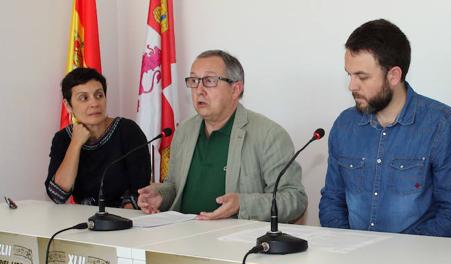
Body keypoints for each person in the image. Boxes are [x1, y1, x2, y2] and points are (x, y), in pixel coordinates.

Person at [319, 19, 451, 237]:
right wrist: (348, 244)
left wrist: (395, 251)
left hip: (419, 263)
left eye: (362, 77)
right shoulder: (345, 125)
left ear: (394, 75)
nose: (351, 86)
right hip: (353, 261)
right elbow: (332, 200)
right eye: (349, 75)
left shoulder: (442, 125)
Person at [137, 50, 307, 222]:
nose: (199, 90)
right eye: (194, 81)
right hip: (183, 238)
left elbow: (294, 198)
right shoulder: (184, 131)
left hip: (236, 242)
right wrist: (161, 196)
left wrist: (243, 204)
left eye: (209, 81)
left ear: (235, 89)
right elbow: (175, 186)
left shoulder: (269, 135)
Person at [46, 68, 150, 208]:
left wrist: (118, 221)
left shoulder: (127, 131)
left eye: (99, 95)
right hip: (82, 220)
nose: (94, 103)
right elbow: (57, 195)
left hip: (123, 220)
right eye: (84, 98)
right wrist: (75, 144)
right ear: (68, 105)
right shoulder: (63, 138)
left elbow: (140, 191)